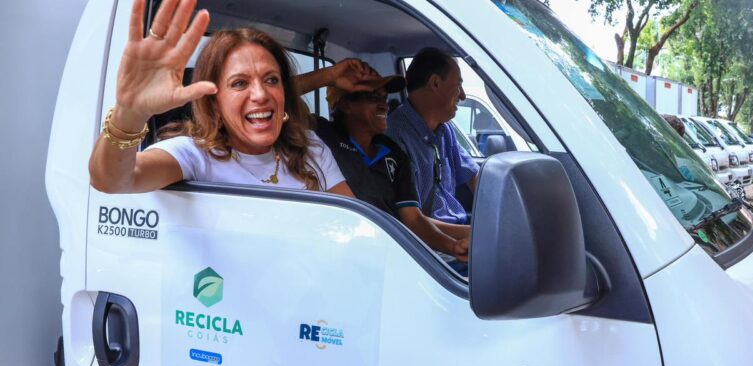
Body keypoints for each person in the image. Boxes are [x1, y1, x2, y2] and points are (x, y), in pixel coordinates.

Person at [88, 0, 353, 196]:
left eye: (271, 80)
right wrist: (130, 113)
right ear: (214, 101)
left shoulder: (310, 147)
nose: (261, 95)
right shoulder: (195, 155)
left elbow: (352, 230)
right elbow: (111, 181)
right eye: (239, 83)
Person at [310, 67, 469, 261]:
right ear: (345, 105)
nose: (384, 106)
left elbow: (413, 219)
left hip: (389, 252)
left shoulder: (393, 152)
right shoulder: (321, 135)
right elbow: (280, 101)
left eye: (384, 98)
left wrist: (453, 247)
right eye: (373, 97)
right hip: (340, 251)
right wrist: (329, 76)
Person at [386, 48, 477, 240]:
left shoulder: (445, 130)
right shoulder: (395, 137)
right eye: (458, 86)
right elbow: (411, 221)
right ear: (435, 83)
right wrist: (479, 235)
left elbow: (474, 177)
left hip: (456, 231)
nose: (463, 96)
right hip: (427, 245)